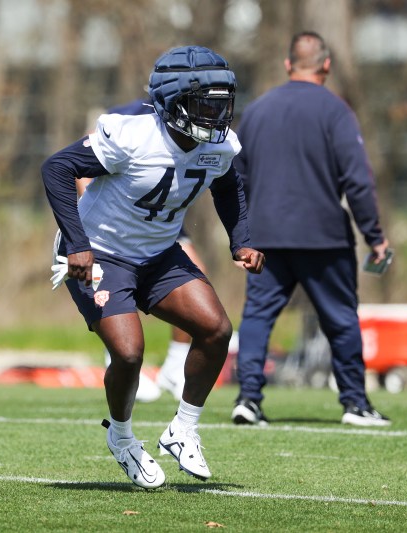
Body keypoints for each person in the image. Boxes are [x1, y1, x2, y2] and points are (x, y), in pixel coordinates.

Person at [43, 45, 265, 488]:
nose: (217, 114)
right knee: (128, 353)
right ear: (176, 102)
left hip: (159, 253)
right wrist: (76, 244)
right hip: (101, 252)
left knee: (217, 329)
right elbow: (57, 167)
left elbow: (228, 186)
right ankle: (122, 439)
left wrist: (240, 239)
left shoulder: (220, 145)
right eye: (207, 103)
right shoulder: (130, 135)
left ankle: (183, 429)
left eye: (223, 103)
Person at [232, 31, 391, 427]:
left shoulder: (256, 111)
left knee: (257, 316)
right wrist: (374, 236)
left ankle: (248, 400)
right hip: (322, 236)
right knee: (339, 317)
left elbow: (236, 177)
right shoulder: (336, 111)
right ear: (326, 65)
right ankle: (355, 403)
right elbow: (357, 180)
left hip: (265, 235)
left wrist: (241, 235)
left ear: (288, 65)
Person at [78, 97, 211, 403]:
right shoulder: (127, 117)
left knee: (197, 280)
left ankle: (175, 367)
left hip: (164, 220)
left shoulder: (204, 122)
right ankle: (117, 358)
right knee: (113, 288)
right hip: (121, 220)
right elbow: (80, 166)